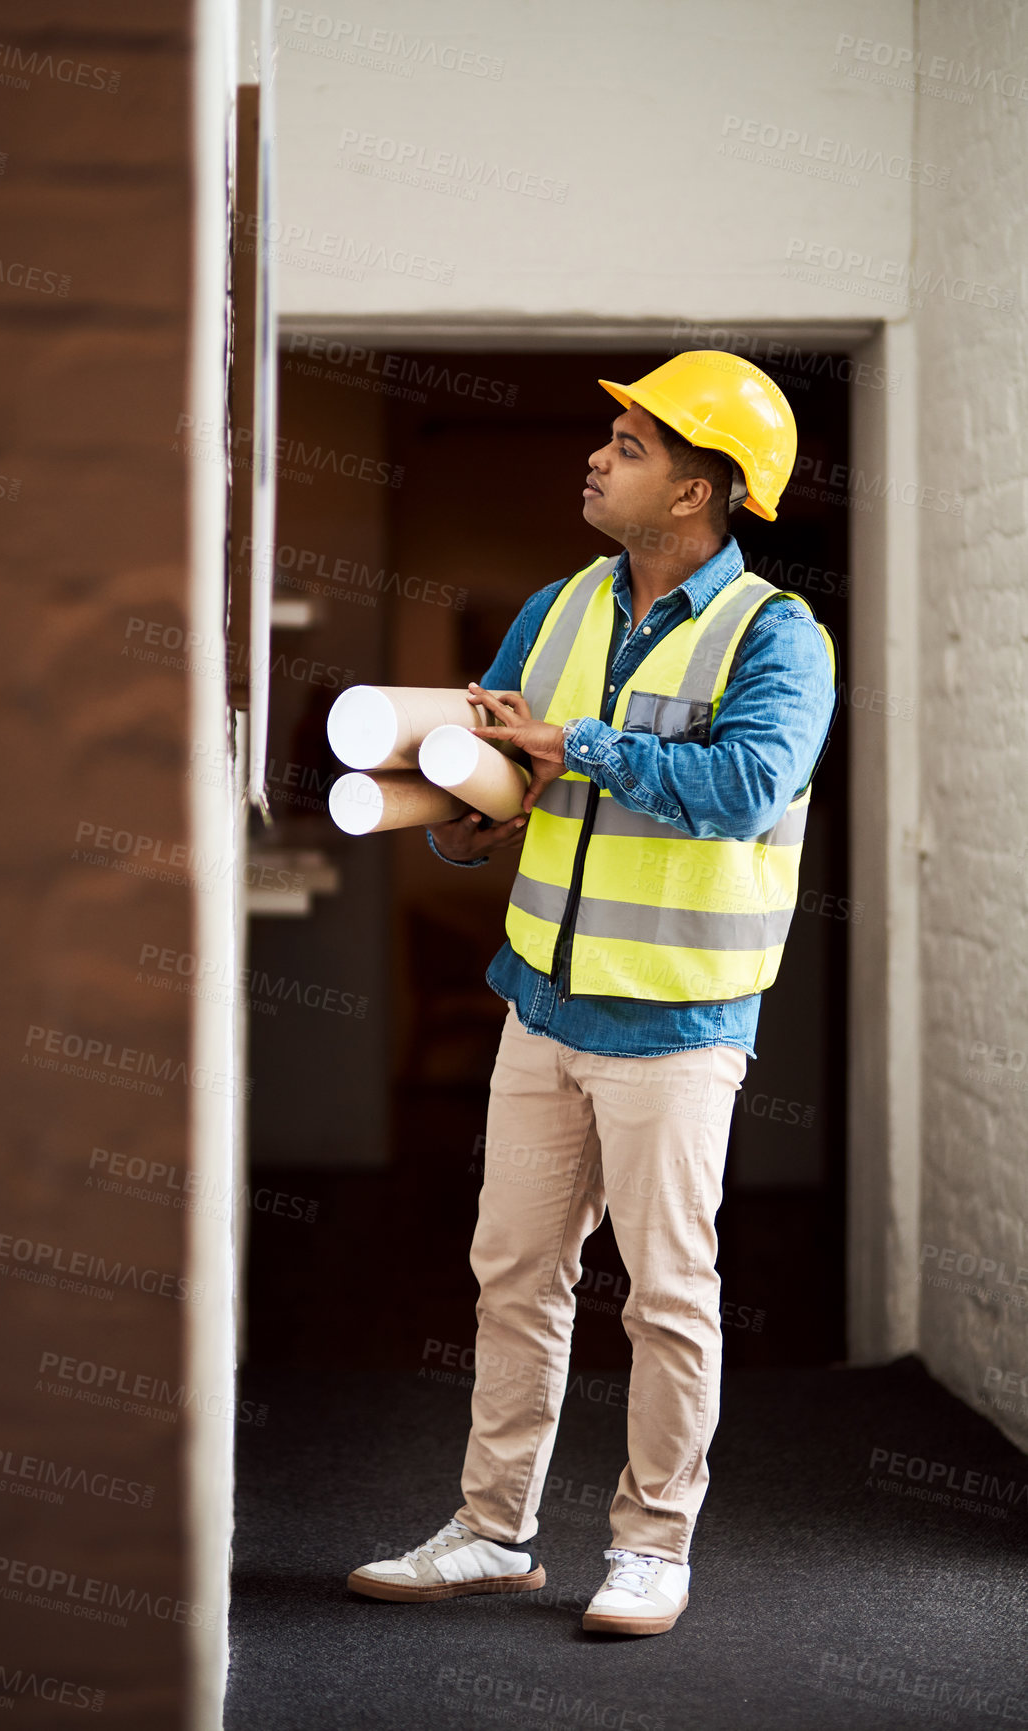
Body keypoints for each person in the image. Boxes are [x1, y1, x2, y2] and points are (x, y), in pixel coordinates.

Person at [346, 353, 838, 1635]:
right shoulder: (560, 605)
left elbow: (742, 788)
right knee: (513, 1274)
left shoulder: (780, 637)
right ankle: (493, 1531)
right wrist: (460, 819)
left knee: (669, 1296)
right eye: (609, 436)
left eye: (627, 444)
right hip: (540, 1005)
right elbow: (500, 786)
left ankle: (653, 1547)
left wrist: (583, 748)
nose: (597, 456)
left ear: (699, 490)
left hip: (676, 1024)